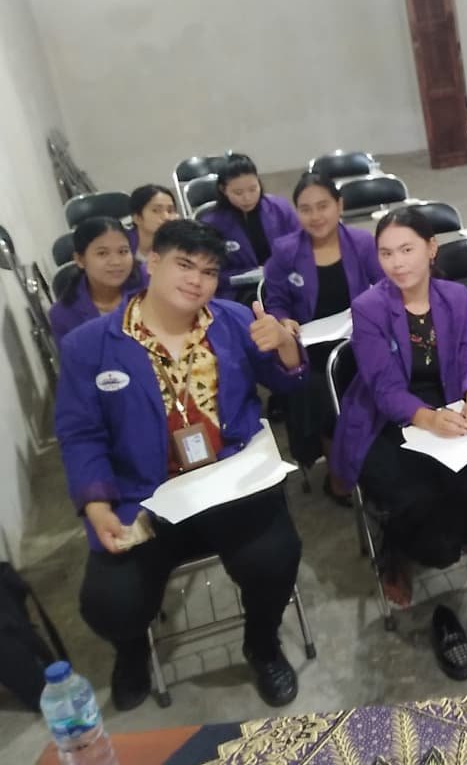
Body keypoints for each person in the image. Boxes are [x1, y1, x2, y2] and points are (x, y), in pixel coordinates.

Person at [55, 220, 308, 712]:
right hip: (144, 495)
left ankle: (262, 643)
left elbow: (289, 384)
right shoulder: (89, 346)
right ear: (153, 263)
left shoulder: (233, 320)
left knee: (276, 558)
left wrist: (284, 344)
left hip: (230, 482)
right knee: (110, 603)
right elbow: (80, 434)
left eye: (209, 272)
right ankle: (133, 652)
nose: (197, 281)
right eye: (185, 265)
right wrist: (97, 504)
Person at [329, 207, 467, 608]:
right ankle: (395, 555)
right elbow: (384, 387)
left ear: (431, 248)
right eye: (386, 253)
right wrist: (428, 419)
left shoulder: (454, 296)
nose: (397, 263)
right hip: (384, 416)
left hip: (447, 396)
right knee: (411, 495)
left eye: (407, 249)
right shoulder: (369, 307)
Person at [263, 173, 383, 504]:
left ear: (339, 206)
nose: (315, 216)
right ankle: (338, 476)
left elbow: (385, 286)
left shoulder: (361, 243)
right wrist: (284, 320)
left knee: (385, 379)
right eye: (305, 209)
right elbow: (276, 302)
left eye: (323, 206)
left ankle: (376, 463)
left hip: (358, 339)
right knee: (319, 393)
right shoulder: (285, 251)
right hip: (311, 348)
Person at [201, 153, 298, 302]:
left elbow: (301, 248)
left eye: (253, 189)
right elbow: (210, 272)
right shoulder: (212, 224)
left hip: (285, 279)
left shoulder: (280, 208)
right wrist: (248, 274)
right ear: (223, 190)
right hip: (239, 291)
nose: (247, 198)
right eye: (238, 193)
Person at [49, 217, 142, 344]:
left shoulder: (151, 286)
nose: (116, 262)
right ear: (80, 260)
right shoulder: (63, 314)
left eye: (123, 251)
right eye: (102, 253)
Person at [128, 184, 179, 268]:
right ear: (137, 218)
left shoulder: (178, 245)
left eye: (170, 211)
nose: (166, 217)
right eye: (156, 211)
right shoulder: (122, 245)